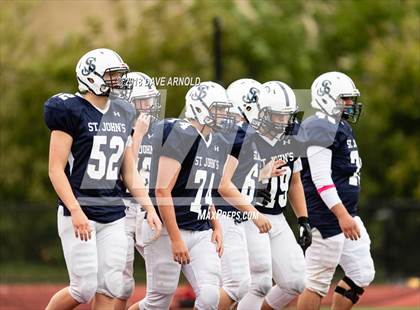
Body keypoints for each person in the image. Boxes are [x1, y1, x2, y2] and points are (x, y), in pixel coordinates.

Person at [44, 48, 161, 310]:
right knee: (82, 289)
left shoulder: (122, 112)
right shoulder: (70, 110)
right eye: (112, 75)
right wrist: (75, 210)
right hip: (80, 211)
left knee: (111, 287)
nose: (118, 80)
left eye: (119, 75)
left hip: (113, 213)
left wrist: (149, 207)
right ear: (91, 76)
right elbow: (55, 169)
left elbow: (129, 171)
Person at [129, 81, 230, 310]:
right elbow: (162, 189)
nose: (224, 114)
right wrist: (175, 239)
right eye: (218, 109)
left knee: (210, 296)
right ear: (199, 108)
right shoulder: (181, 134)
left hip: (201, 229)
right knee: (158, 301)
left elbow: (206, 191)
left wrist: (216, 225)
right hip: (167, 229)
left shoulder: (218, 142)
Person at [297, 72, 375, 310]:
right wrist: (341, 215)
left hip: (345, 213)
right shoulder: (320, 126)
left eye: (351, 99)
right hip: (327, 216)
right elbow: (321, 178)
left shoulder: (338, 125)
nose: (350, 104)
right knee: (317, 282)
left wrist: (346, 214)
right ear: (326, 98)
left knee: (362, 272)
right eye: (345, 99)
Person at [230, 81, 309, 310]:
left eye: (288, 116)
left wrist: (303, 219)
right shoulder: (246, 137)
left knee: (295, 282)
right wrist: (261, 177)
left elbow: (295, 181)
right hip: (248, 216)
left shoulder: (293, 135)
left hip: (277, 216)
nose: (284, 122)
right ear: (262, 112)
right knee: (257, 283)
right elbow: (228, 186)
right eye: (277, 116)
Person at [217, 78, 273, 310]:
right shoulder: (237, 134)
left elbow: (237, 175)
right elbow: (223, 184)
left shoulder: (245, 133)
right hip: (223, 213)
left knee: (256, 282)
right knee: (234, 286)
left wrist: (261, 174)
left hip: (236, 214)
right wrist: (254, 214)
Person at [115, 71, 162, 310]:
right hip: (122, 209)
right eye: (142, 100)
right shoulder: (118, 128)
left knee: (165, 272)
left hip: (145, 208)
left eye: (150, 99)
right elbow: (127, 173)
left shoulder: (157, 130)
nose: (149, 105)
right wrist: (139, 134)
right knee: (121, 285)